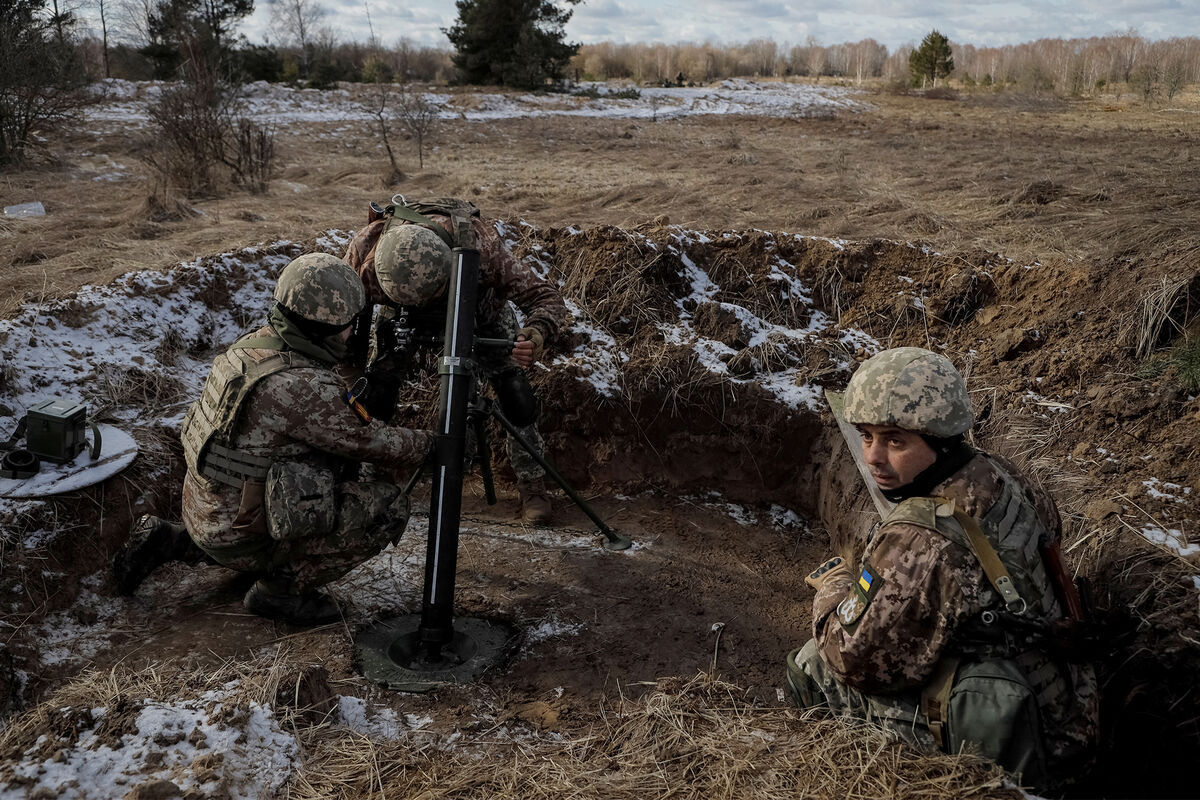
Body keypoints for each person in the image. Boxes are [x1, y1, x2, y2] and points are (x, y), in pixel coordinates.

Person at [785, 347, 1098, 790]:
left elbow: (852, 661)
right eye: (866, 436)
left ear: (941, 439)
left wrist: (833, 590)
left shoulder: (921, 537)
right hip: (1069, 702)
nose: (873, 457)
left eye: (895, 440)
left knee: (810, 666)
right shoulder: (1002, 474)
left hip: (1025, 744)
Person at [113, 253, 434, 625]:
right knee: (386, 508)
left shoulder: (251, 348)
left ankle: (173, 540)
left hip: (203, 509)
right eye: (348, 325)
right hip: (237, 533)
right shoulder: (301, 386)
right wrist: (433, 443)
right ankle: (280, 593)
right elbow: (374, 444)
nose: (351, 332)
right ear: (323, 326)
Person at [342, 196, 569, 525]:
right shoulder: (366, 250)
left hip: (481, 314)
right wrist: (351, 372)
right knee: (375, 392)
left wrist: (534, 334)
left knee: (514, 392)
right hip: (401, 318)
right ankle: (368, 478)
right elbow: (340, 316)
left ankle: (532, 483)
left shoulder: (485, 248)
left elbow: (546, 296)